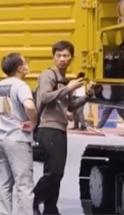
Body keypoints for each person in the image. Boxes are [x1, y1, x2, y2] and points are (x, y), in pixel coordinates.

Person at [33, 40, 89, 215]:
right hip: (48, 126)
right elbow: (44, 97)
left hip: (60, 128)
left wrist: (88, 95)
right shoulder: (48, 75)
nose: (62, 59)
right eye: (59, 56)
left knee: (58, 173)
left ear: (72, 58)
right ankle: (32, 200)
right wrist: (69, 88)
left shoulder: (65, 80)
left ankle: (51, 209)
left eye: (66, 56)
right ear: (53, 57)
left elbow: (70, 106)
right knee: (53, 172)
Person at [0, 52, 37, 215]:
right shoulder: (21, 86)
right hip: (18, 139)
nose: (27, 66)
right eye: (25, 63)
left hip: (2, 139)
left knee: (4, 184)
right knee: (24, 185)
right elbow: (29, 106)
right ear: (20, 68)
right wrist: (33, 122)